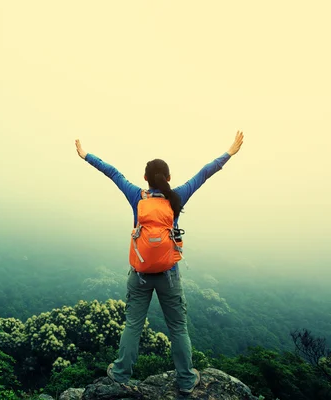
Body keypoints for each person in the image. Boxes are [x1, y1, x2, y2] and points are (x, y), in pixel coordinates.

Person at [74, 131, 244, 394]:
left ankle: (120, 374)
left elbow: (113, 172)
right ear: (168, 178)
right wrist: (229, 153)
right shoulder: (177, 197)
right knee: (177, 327)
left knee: (133, 324)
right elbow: (204, 174)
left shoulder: (136, 196)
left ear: (145, 178)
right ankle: (186, 380)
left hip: (140, 273)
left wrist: (86, 156)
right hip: (169, 273)